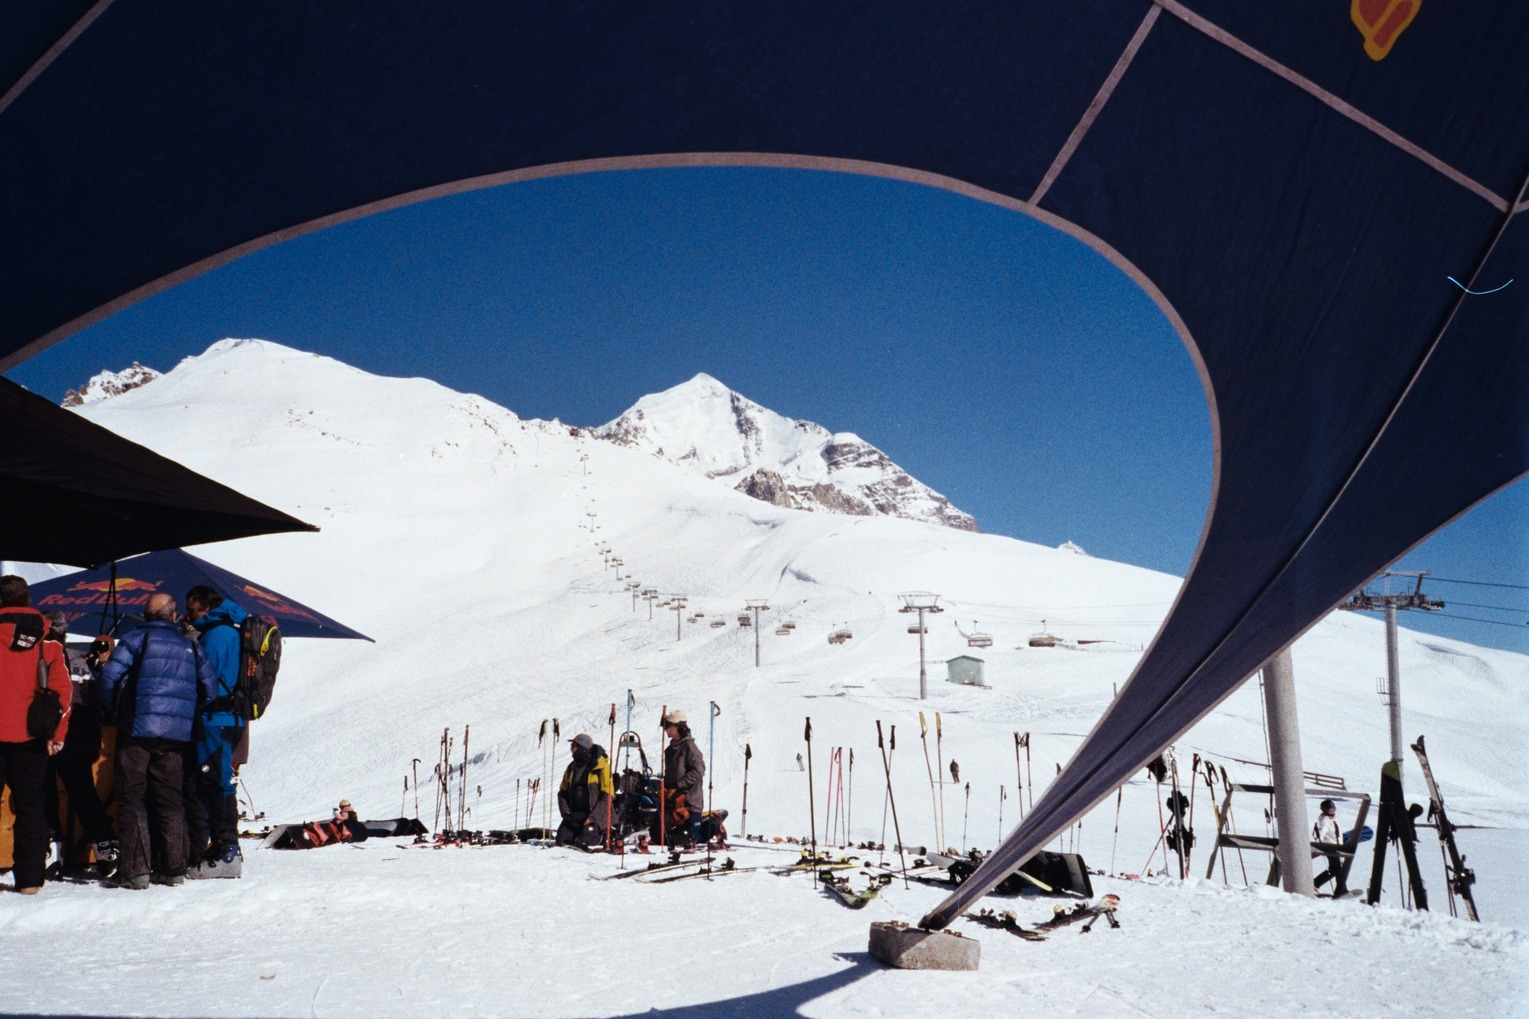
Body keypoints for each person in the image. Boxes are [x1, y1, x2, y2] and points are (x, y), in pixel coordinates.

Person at [99, 592, 216, 889]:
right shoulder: (190, 645)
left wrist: (113, 712)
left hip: (138, 730)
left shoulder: (136, 639)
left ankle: (137, 871)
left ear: (145, 614)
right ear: (175, 615)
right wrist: (184, 713)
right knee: (169, 798)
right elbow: (210, 691)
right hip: (176, 736)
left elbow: (109, 677)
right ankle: (174, 868)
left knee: (132, 796)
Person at [0, 576, 71, 894]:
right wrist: (58, 733)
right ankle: (29, 880)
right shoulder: (48, 640)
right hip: (32, 735)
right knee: (30, 806)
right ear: (27, 599)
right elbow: (62, 692)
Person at [41, 613, 117, 878]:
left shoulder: (41, 656)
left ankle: (52, 849)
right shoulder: (81, 661)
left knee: (45, 792)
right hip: (81, 737)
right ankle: (105, 847)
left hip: (48, 735)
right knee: (85, 794)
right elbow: (102, 701)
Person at [182, 584, 248, 878]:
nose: (189, 614)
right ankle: (223, 848)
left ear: (206, 607)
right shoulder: (229, 630)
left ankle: (227, 852)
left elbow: (203, 678)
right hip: (229, 719)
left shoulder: (218, 635)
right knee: (216, 780)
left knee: (217, 782)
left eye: (192, 608)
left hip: (216, 718)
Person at [556, 733, 612, 849]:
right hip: (575, 816)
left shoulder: (601, 767)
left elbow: (607, 796)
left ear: (583, 748)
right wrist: (566, 813)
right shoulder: (571, 768)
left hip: (595, 816)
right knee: (562, 840)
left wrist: (593, 817)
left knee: (588, 840)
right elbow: (562, 792)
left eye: (574, 746)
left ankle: (601, 834)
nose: (571, 750)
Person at [658, 710, 705, 848]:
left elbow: (698, 770)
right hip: (673, 803)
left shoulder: (690, 747)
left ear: (677, 727)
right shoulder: (670, 750)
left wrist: (679, 786)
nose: (666, 729)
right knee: (660, 836)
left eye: (668, 726)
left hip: (689, 803)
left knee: (686, 838)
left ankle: (712, 826)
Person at [1312, 798, 1348, 897]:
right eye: (1330, 810)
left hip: (1336, 847)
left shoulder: (1333, 820)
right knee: (1338, 870)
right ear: (1324, 810)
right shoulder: (1325, 821)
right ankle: (1342, 890)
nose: (1332, 812)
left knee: (1333, 870)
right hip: (1329, 848)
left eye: (1334, 809)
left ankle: (1314, 884)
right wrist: (1319, 843)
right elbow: (1320, 834)